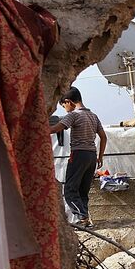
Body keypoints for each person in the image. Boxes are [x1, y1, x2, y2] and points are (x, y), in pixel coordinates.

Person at [49, 87, 107, 227]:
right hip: (92, 156)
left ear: (68, 102)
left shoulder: (73, 115)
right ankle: (85, 220)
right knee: (83, 190)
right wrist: (100, 156)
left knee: (69, 189)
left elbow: (56, 129)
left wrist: (38, 129)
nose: (65, 109)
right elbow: (103, 137)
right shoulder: (93, 116)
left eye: (63, 106)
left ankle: (82, 217)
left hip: (78, 154)